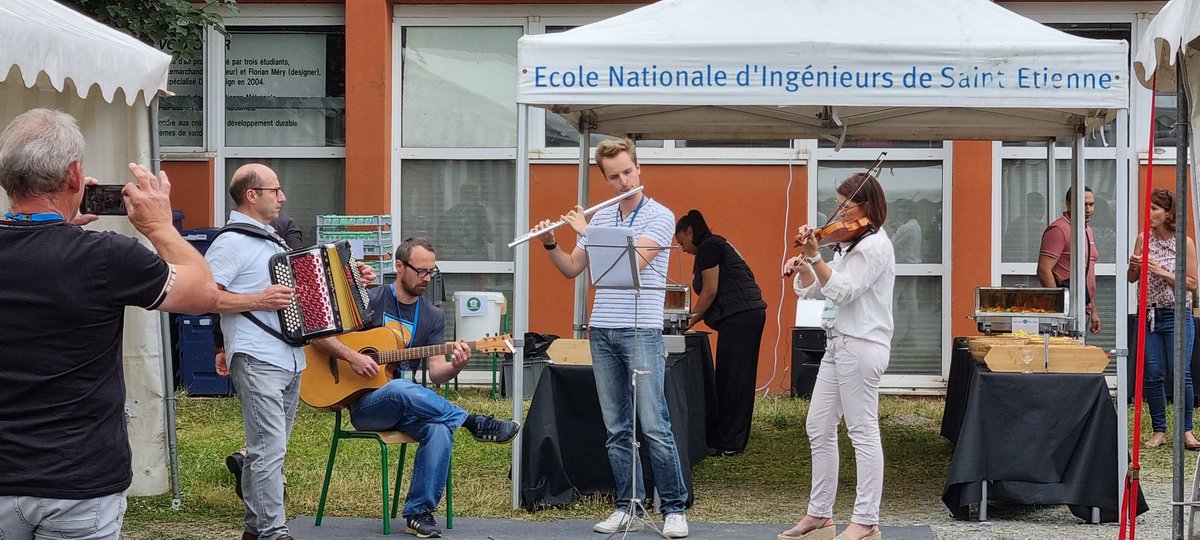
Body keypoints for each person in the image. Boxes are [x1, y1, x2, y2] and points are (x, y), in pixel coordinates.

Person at [0, 108, 218, 538]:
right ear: (75, 176)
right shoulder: (105, 257)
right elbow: (203, 293)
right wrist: (160, 227)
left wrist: (58, 228)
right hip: (79, 478)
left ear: (6, 179)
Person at [310, 237, 520, 539]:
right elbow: (319, 335)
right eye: (421, 271)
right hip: (364, 405)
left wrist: (457, 364)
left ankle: (419, 514)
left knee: (438, 428)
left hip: (406, 405)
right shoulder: (370, 299)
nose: (427, 278)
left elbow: (436, 374)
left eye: (431, 272)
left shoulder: (432, 316)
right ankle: (473, 422)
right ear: (399, 266)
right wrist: (353, 357)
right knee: (399, 390)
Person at [533, 138, 690, 538]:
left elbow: (633, 263)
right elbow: (572, 268)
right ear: (605, 178)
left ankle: (673, 507)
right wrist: (551, 242)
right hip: (602, 328)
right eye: (614, 176)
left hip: (642, 328)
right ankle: (628, 506)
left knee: (654, 424)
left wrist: (588, 230)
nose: (623, 181)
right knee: (617, 427)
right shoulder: (601, 220)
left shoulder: (660, 216)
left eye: (628, 172)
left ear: (639, 169)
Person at [779, 172, 894, 540]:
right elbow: (817, 292)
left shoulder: (875, 246)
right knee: (818, 425)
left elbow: (844, 292)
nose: (840, 214)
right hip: (839, 342)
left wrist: (815, 256)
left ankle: (866, 519)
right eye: (838, 206)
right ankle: (820, 514)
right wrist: (807, 265)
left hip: (862, 344)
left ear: (868, 207)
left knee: (862, 431)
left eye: (847, 207)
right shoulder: (847, 245)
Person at [207, 163, 318, 540]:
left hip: (288, 356)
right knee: (268, 450)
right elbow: (205, 295)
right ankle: (274, 532)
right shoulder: (231, 241)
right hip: (257, 357)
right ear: (252, 195)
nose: (282, 197)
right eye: (276, 190)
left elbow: (301, 294)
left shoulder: (275, 240)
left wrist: (353, 279)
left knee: (268, 451)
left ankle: (255, 531)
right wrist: (258, 299)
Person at [674, 209, 766, 456]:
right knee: (736, 376)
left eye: (681, 242)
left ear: (690, 231)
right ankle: (731, 437)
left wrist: (689, 321)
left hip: (739, 317)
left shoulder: (709, 248)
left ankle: (728, 441)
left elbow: (710, 291)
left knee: (732, 378)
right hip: (745, 315)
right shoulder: (717, 245)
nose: (682, 249)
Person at [1127, 189, 1199, 450]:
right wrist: (1134, 266)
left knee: (1181, 373)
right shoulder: (1142, 239)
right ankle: (1159, 430)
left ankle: (1186, 431)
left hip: (1177, 314)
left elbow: (1192, 283)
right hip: (1150, 314)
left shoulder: (1184, 243)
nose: (1149, 214)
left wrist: (1161, 271)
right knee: (1154, 374)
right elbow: (1131, 278)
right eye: (1148, 208)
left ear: (1168, 213)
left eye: (1155, 209)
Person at [1038, 186, 1101, 334]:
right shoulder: (1059, 229)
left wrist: (1093, 310)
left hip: (1082, 305)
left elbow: (1088, 273)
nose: (1088, 209)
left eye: (1091, 204)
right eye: (1083, 204)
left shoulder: (1087, 230)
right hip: (1067, 308)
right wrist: (1057, 307)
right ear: (1069, 205)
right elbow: (1044, 269)